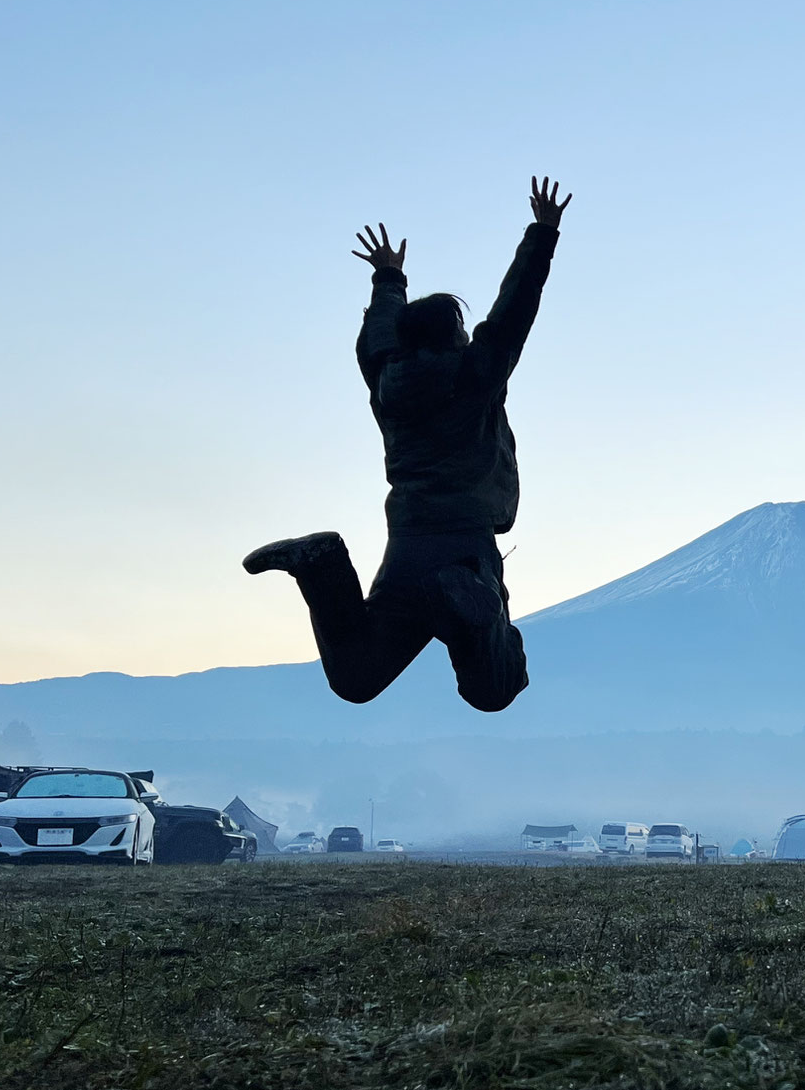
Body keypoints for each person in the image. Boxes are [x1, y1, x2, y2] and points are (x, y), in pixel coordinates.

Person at [244, 180, 572, 712]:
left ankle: (322, 565)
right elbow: (515, 311)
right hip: (467, 547)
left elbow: (377, 336)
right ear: (457, 335)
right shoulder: (476, 373)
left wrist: (388, 278)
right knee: (495, 689)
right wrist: (542, 233)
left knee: (356, 678)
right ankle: (473, 609)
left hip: (408, 548)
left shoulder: (385, 380)